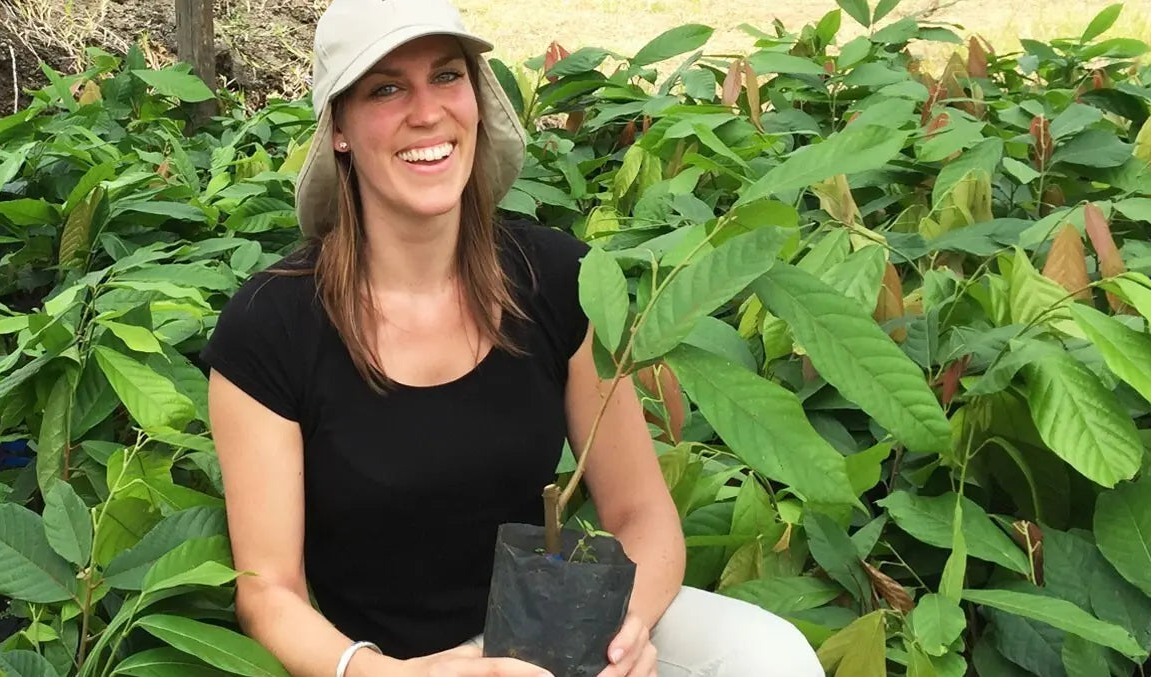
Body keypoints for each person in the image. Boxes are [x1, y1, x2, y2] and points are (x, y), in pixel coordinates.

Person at [199, 1, 824, 676]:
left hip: (562, 629)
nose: (427, 111)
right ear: (340, 128)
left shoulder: (556, 279)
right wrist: (398, 674)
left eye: (447, 76)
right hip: (397, 666)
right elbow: (268, 593)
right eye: (386, 87)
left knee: (768, 656)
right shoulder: (272, 325)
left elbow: (642, 511)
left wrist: (621, 629)